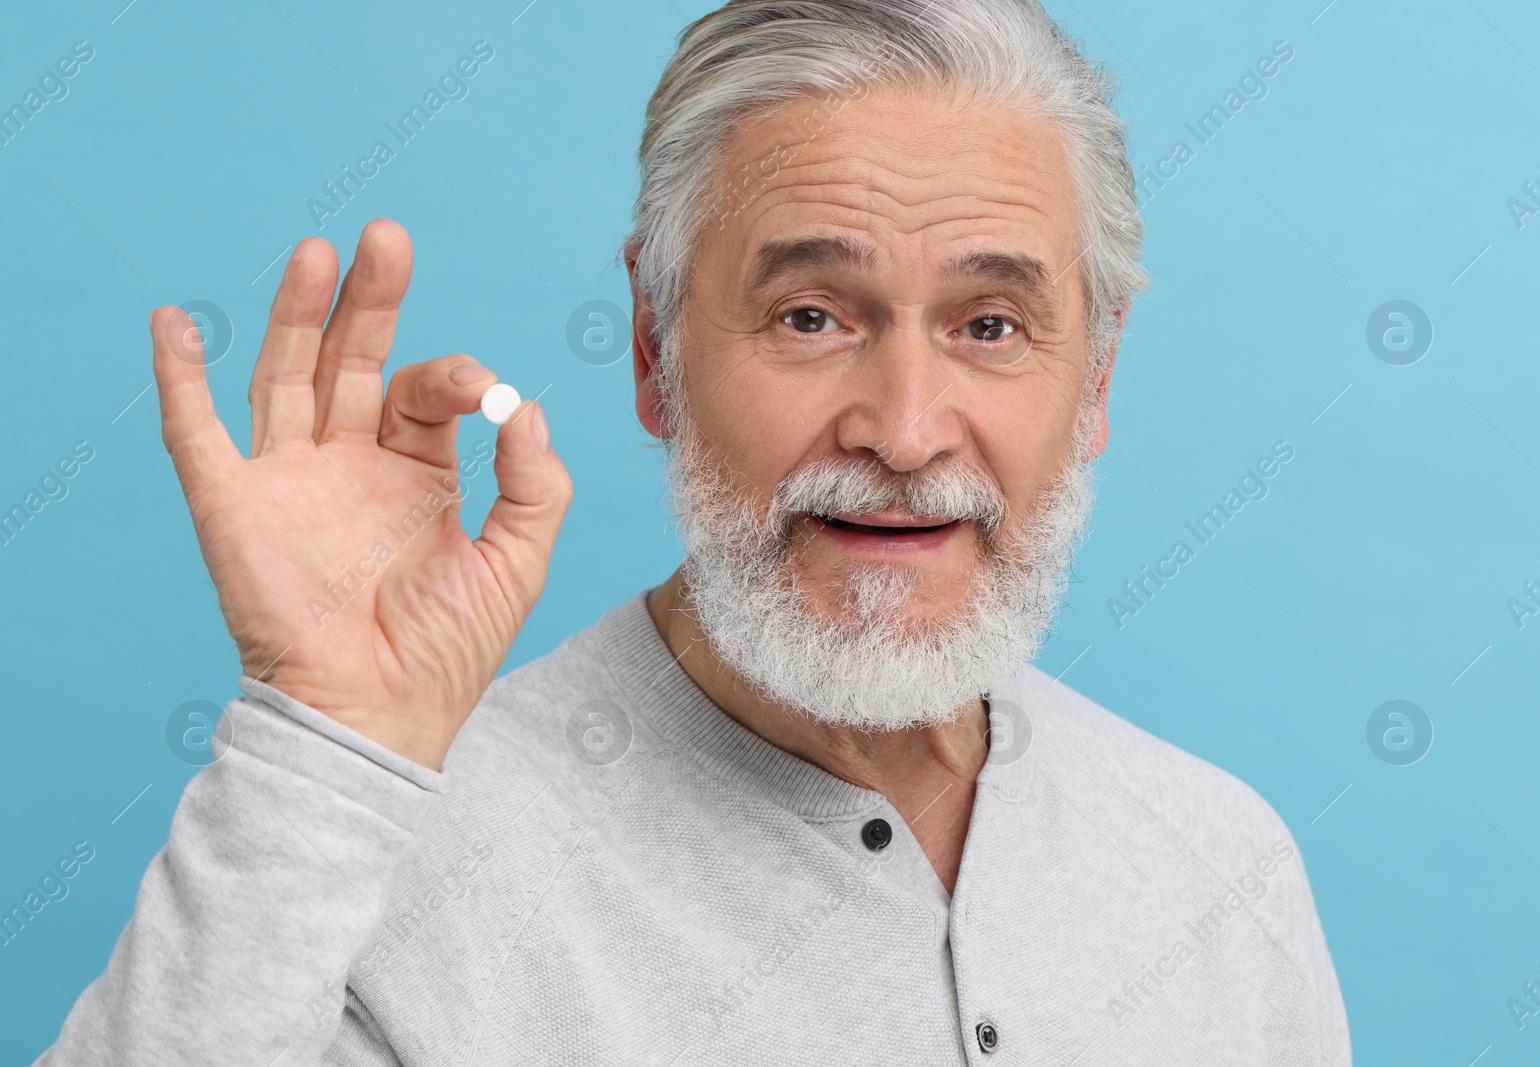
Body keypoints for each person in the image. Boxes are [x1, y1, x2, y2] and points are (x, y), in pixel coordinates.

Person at [39, 0, 1349, 1063]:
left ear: (1098, 381)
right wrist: (323, 746)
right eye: (810, 317)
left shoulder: (1223, 869)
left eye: (989, 327)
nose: (902, 431)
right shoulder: (400, 870)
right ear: (657, 347)